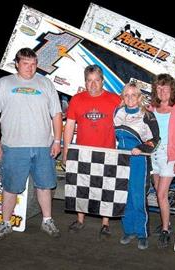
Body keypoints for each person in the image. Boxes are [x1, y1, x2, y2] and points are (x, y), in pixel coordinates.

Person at [0, 47, 63, 240]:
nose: (30, 68)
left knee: (45, 185)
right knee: (10, 187)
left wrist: (57, 140)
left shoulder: (46, 84)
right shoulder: (3, 83)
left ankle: (47, 220)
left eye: (33, 64)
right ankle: (5, 223)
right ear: (17, 64)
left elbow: (57, 114)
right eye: (26, 64)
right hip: (13, 146)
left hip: (43, 146)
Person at [62, 64, 121, 238]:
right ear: (85, 82)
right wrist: (66, 151)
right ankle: (80, 220)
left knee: (106, 188)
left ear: (103, 81)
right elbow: (69, 125)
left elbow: (131, 115)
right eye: (89, 81)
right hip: (82, 152)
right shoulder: (77, 99)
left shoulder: (116, 99)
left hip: (107, 152)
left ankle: (105, 223)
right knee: (81, 186)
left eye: (97, 80)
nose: (93, 84)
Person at [114, 82, 160, 250]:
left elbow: (156, 139)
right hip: (121, 160)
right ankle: (129, 230)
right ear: (123, 97)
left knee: (138, 197)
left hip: (139, 160)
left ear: (139, 97)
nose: (130, 98)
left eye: (134, 95)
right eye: (127, 95)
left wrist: (140, 148)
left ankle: (142, 234)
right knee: (124, 196)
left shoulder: (146, 115)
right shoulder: (117, 112)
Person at [149, 73, 175, 248]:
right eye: (159, 88)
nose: (162, 91)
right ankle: (165, 221)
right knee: (159, 193)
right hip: (153, 156)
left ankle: (166, 229)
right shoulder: (152, 107)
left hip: (170, 156)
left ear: (172, 89)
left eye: (165, 87)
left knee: (161, 194)